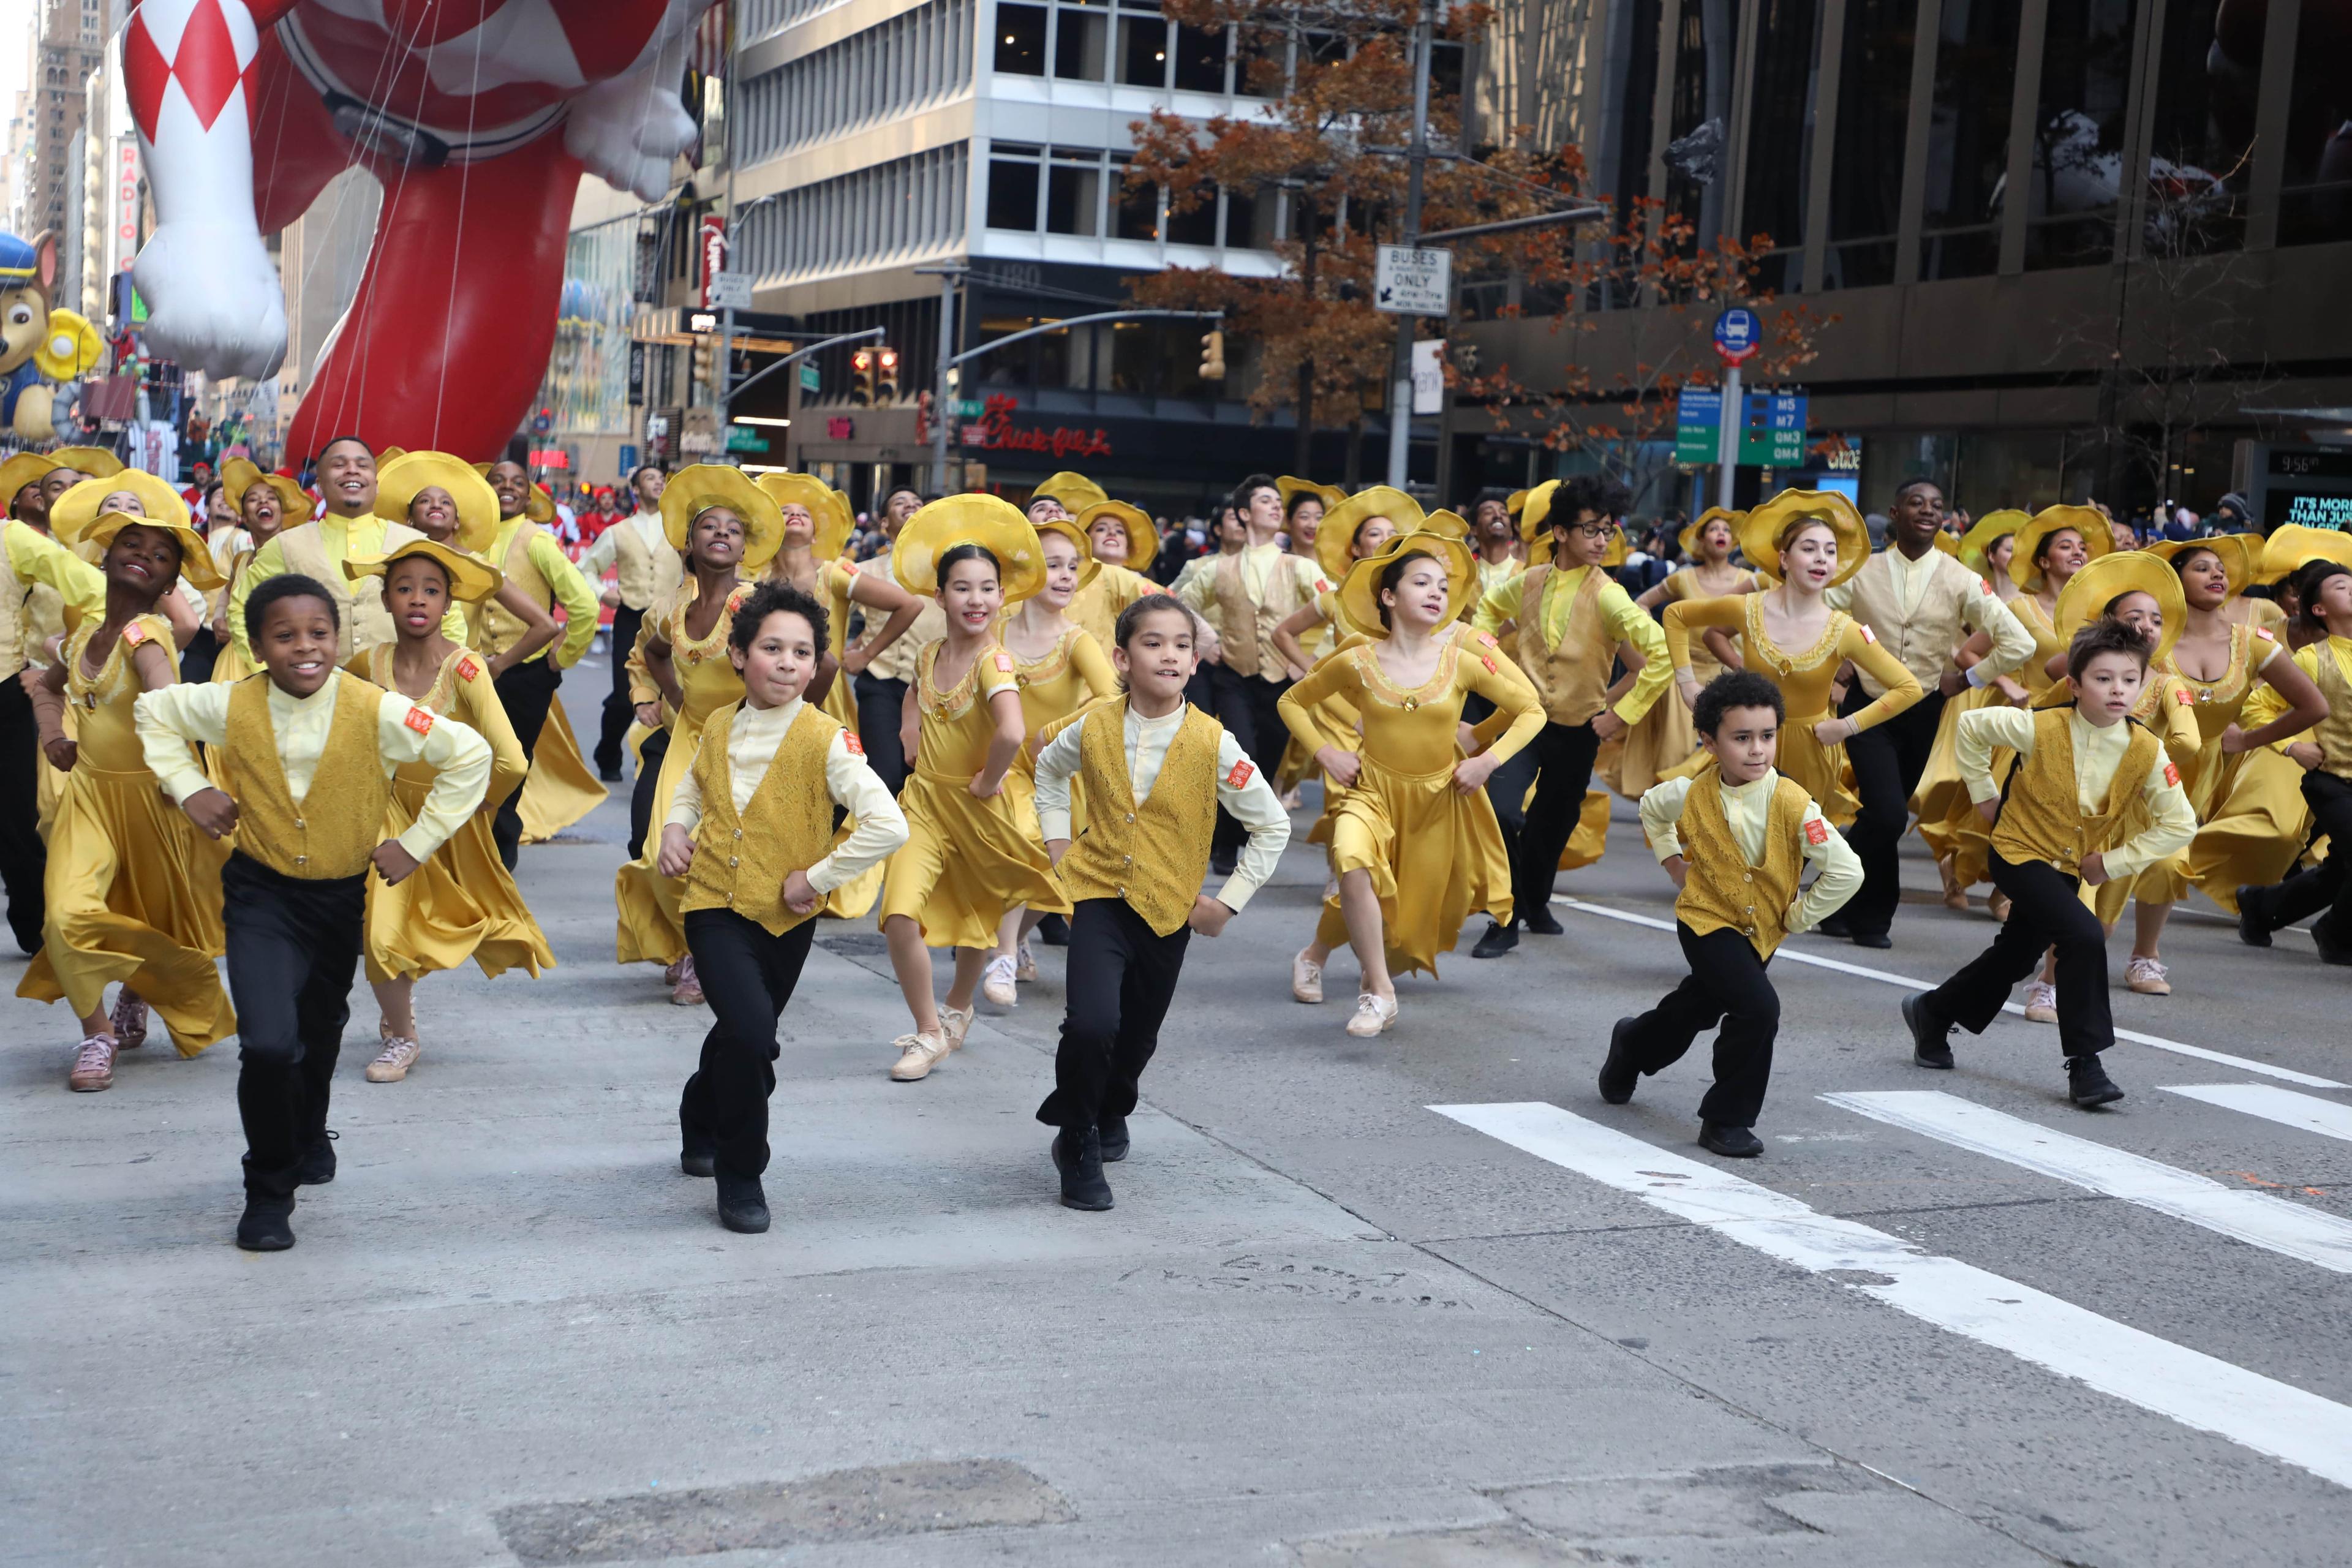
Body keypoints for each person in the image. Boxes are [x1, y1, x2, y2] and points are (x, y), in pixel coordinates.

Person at [134, 573, 493, 1251]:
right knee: (270, 1044)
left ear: (337, 638)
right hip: (260, 893)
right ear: (259, 646)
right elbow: (154, 713)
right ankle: (269, 1190)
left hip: (337, 895)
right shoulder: (230, 703)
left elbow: (469, 755)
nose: (305, 647)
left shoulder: (377, 707)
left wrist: (416, 843)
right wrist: (188, 786)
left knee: (321, 1027)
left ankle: (308, 1130)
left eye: (319, 633)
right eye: (285, 635)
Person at [656, 581, 910, 1232]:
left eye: (802, 652)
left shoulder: (828, 738)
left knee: (748, 1039)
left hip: (785, 916)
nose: (789, 662)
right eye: (773, 647)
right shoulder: (718, 723)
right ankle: (744, 1174)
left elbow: (888, 824)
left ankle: (700, 1106)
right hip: (712, 904)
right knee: (751, 1034)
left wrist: (818, 876)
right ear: (740, 655)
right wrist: (677, 830)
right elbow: (690, 790)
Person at [1032, 593, 1292, 1208]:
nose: (1169, 654)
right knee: (1093, 1021)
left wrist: (1227, 903)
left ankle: (1112, 1104)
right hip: (1098, 894)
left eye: (1181, 644)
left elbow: (1272, 825)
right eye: (1153, 643)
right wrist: (1059, 844)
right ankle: (1077, 1137)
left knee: (1137, 1036)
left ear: (1196, 661)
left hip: (1169, 908)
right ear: (1122, 657)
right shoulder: (1093, 723)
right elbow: (1047, 770)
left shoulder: (1213, 742)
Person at [1901, 620, 2197, 1108]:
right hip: (2018, 850)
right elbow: (1972, 729)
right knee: (2083, 935)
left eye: (2129, 679)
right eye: (2103, 679)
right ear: (2076, 686)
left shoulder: (2148, 749)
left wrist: (2113, 863)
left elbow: (2179, 823)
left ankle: (1933, 1011)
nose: (2117, 689)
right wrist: (1985, 796)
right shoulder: (2039, 724)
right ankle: (2087, 1065)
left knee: (2018, 954)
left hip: (2070, 863)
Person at [1281, 533, 1544, 1034]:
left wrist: (1486, 759)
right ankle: (1378, 992)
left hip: (1438, 800)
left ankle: (1314, 953)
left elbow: (1530, 709)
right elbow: (1292, 700)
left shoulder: (1463, 659)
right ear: (1388, 597)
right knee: (1354, 862)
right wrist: (1326, 752)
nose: (1436, 593)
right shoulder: (1358, 659)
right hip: (1372, 792)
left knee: (1394, 908)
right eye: (1421, 583)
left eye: (1443, 587)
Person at [1602, 670, 1862, 1156]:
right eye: (1741, 738)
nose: (1758, 750)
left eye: (1767, 736)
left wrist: (1798, 916)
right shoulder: (1687, 792)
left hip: (1761, 929)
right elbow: (1653, 811)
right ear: (1710, 743)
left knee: (1696, 1008)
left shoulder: (1793, 803)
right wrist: (1673, 862)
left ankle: (1633, 1045)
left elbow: (1847, 871)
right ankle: (1727, 1119)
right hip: (1703, 919)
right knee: (1758, 1008)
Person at [18, 507, 234, 1090]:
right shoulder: (87, 633)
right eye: (131, 544)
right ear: (108, 556)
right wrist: (54, 737)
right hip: (88, 797)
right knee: (63, 916)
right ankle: (97, 1035)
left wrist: (189, 787)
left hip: (151, 802)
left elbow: (170, 712)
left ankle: (136, 994)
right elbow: (44, 685)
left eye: (161, 557)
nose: (144, 555)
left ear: (168, 586)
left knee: (148, 917)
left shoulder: (148, 638)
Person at [344, 538, 552, 1085]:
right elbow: (334, 713)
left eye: (431, 590)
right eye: (404, 588)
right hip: (386, 808)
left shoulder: (465, 670)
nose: (417, 599)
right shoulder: (368, 663)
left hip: (449, 813)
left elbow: (510, 759)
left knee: (428, 921)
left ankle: (396, 1013)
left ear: (449, 604)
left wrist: (476, 810)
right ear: (386, 600)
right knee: (382, 925)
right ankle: (401, 1033)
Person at [876, 498, 1069, 1082]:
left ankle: (959, 1007)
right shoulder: (933, 651)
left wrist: (989, 779)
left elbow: (1011, 729)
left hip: (980, 808)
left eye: (988, 587)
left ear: (1002, 597)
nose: (976, 599)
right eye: (962, 588)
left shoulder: (995, 660)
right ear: (940, 597)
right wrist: (910, 726)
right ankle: (930, 1030)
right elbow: (914, 691)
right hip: (926, 806)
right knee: (899, 915)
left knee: (976, 915)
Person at [1818, 477, 2032, 947]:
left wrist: (1967, 679)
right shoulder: (1860, 570)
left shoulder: (1960, 577)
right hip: (1868, 705)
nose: (1928, 510)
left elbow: (2020, 641)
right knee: (1890, 815)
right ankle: (1873, 918)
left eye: (1937, 505)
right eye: (1916, 502)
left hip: (1923, 709)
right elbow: (1819, 623)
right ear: (1895, 514)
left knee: (1882, 815)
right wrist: (1840, 667)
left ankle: (1830, 892)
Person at [1465, 476, 1672, 959]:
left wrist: (1620, 715)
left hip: (1580, 729)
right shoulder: (1531, 580)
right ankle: (1504, 915)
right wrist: (1488, 662)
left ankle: (1535, 902)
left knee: (1553, 823)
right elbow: (1489, 611)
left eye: (1608, 531)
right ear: (1560, 533)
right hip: (1524, 720)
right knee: (1501, 812)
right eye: (1591, 531)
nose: (1602, 541)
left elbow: (1660, 653)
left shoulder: (1610, 594)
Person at [615, 467, 786, 1004]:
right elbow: (651, 651)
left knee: (730, 854)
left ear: (744, 549)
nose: (721, 534)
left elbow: (812, 661)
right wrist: (671, 698)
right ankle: (692, 944)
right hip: (690, 735)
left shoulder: (758, 606)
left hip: (747, 737)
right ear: (688, 543)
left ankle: (709, 958)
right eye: (709, 527)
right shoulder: (671, 608)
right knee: (658, 851)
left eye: (733, 530)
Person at [984, 516, 1117, 1005]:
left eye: (1072, 566)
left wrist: (1054, 731)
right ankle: (1000, 955)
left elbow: (1110, 696)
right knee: (1026, 840)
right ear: (1027, 572)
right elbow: (945, 664)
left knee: (1054, 874)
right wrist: (915, 721)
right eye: (1052, 565)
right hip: (1001, 764)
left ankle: (1014, 940)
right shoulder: (994, 628)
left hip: (1060, 770)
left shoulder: (1076, 639)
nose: (1064, 575)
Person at [1177, 474, 1325, 875]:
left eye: (1278, 501)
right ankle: (1226, 845)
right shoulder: (1218, 569)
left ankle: (1234, 836)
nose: (1277, 506)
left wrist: (1305, 657)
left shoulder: (1298, 566)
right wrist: (1207, 643)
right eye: (1265, 501)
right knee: (1241, 756)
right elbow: (1180, 605)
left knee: (1265, 764)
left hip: (1281, 682)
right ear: (1244, 514)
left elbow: (1334, 608)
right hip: (1234, 678)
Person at [229, 437, 466, 664]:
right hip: (309, 699)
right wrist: (270, 672)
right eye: (339, 465)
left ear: (376, 485)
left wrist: (435, 680)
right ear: (320, 485)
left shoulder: (416, 543)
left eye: (362, 465)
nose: (352, 470)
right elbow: (242, 610)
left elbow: (450, 620)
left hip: (402, 698)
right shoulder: (284, 546)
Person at [473, 461, 601, 867]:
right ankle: (465, 853)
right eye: (498, 481)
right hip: (470, 672)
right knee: (468, 762)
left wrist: (559, 659)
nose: (507, 488)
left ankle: (499, 858)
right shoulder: (469, 540)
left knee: (511, 767)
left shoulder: (538, 541)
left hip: (526, 676)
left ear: (528, 497)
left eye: (517, 484)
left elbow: (584, 606)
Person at [2235, 548, 2352, 963]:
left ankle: (2261, 907)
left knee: (2340, 870)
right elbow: (2256, 708)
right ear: (2319, 608)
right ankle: (2335, 933)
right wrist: (2291, 745)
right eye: (2342, 586)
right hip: (2333, 781)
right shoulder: (2311, 658)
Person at [1616, 508, 1758, 799]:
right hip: (1684, 672)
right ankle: (1670, 805)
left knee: (1734, 745)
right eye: (1713, 530)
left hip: (1732, 674)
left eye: (1726, 530)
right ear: (1701, 541)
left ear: (1732, 541)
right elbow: (1641, 604)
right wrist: (1655, 639)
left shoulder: (1750, 580)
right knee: (1675, 746)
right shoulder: (1683, 579)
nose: (1721, 534)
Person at [579, 464, 684, 782]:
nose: (659, 483)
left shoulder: (679, 531)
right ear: (635, 490)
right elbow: (585, 568)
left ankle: (663, 759)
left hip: (672, 617)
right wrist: (603, 593)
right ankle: (608, 752)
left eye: (662, 480)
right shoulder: (619, 531)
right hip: (631, 617)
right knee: (625, 693)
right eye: (650, 479)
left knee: (674, 689)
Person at [846, 484, 945, 793]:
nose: (911, 505)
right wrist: (848, 651)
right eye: (901, 502)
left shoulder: (947, 570)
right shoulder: (863, 571)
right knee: (885, 776)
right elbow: (827, 612)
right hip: (880, 681)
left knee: (923, 779)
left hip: (935, 685)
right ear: (885, 522)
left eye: (918, 502)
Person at [1278, 477, 1341, 564]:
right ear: (1289, 521)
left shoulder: (1335, 568)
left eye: (1319, 518)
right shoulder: (1277, 563)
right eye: (1304, 517)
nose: (1312, 525)